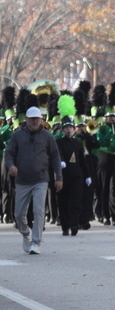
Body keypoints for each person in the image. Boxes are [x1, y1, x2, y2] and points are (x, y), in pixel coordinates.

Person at [4, 107, 63, 254]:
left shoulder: (47, 136)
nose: (35, 121)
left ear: (41, 119)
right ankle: (25, 234)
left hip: (40, 179)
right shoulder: (17, 135)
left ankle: (36, 242)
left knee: (38, 210)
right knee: (18, 214)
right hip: (22, 180)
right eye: (32, 118)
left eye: (38, 118)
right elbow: (9, 153)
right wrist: (11, 166)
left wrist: (59, 177)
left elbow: (55, 157)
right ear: (27, 119)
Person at [55, 114, 90, 236]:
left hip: (76, 175)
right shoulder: (58, 141)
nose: (68, 130)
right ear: (63, 130)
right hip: (63, 175)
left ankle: (74, 224)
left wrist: (87, 175)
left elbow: (82, 159)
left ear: (74, 129)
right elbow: (57, 153)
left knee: (76, 201)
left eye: (71, 127)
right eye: (66, 128)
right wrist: (61, 160)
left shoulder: (78, 143)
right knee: (63, 201)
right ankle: (65, 226)